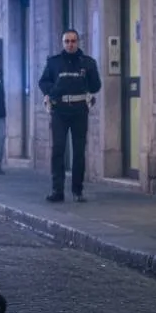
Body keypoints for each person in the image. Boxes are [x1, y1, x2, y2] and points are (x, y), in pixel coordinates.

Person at [39, 29, 102, 202]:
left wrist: (90, 75)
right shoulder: (54, 62)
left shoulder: (87, 62)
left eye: (73, 41)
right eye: (67, 41)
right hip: (59, 110)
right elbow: (43, 81)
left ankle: (77, 190)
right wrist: (51, 92)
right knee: (58, 149)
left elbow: (96, 86)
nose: (70, 44)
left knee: (79, 151)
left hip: (79, 110)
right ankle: (57, 190)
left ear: (78, 42)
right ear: (62, 43)